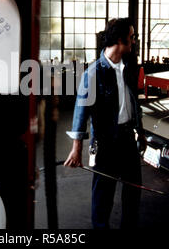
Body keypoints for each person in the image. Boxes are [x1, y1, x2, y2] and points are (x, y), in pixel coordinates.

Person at [64, 18, 147, 229]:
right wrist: (76, 149)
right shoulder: (93, 73)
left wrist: (141, 133)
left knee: (133, 190)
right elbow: (80, 112)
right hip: (106, 142)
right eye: (132, 37)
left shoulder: (129, 66)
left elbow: (134, 103)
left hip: (128, 138)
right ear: (120, 40)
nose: (134, 41)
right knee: (103, 195)